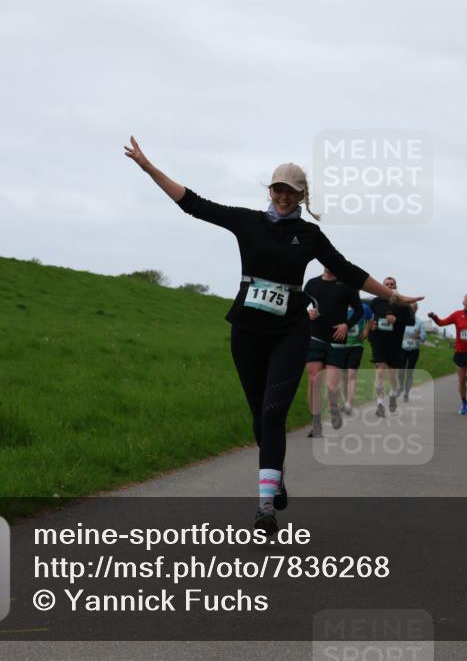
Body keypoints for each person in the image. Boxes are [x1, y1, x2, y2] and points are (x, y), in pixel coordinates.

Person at [124, 137, 423, 534]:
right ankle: (275, 476)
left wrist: (393, 297)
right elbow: (194, 204)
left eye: (291, 191)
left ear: (302, 195)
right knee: (257, 415)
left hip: (290, 331)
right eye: (278, 189)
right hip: (247, 330)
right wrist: (149, 168)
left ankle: (266, 508)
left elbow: (348, 269)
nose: (283, 197)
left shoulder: (310, 235)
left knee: (273, 413)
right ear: (270, 190)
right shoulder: (247, 221)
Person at [304, 268, 362, 436]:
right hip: (315, 337)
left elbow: (358, 311)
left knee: (331, 385)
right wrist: (306, 313)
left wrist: (346, 325)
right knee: (314, 380)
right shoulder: (313, 283)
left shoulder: (347, 285)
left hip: (337, 340)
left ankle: (333, 407)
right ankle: (316, 424)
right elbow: (297, 305)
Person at [368, 278, 416, 417]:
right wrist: (373, 326)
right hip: (379, 342)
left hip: (395, 343)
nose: (389, 286)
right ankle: (380, 403)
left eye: (392, 285)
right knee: (380, 371)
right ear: (382, 287)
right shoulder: (376, 301)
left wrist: (397, 320)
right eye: (386, 285)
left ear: (396, 287)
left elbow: (411, 321)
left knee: (392, 376)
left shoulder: (402, 304)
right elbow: (373, 316)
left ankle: (393, 393)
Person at [337, 298, 373, 416]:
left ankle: (348, 405)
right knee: (343, 376)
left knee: (351, 374)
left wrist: (367, 330)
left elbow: (371, 317)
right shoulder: (340, 306)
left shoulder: (364, 308)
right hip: (341, 345)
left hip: (356, 345)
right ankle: (345, 401)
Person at [397, 305, 426, 402]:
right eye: (410, 308)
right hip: (402, 349)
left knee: (410, 372)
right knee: (401, 371)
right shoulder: (402, 319)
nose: (411, 309)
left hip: (414, 350)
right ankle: (400, 386)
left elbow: (424, 337)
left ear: (416, 309)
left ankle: (406, 393)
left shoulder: (419, 322)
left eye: (414, 308)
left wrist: (418, 337)